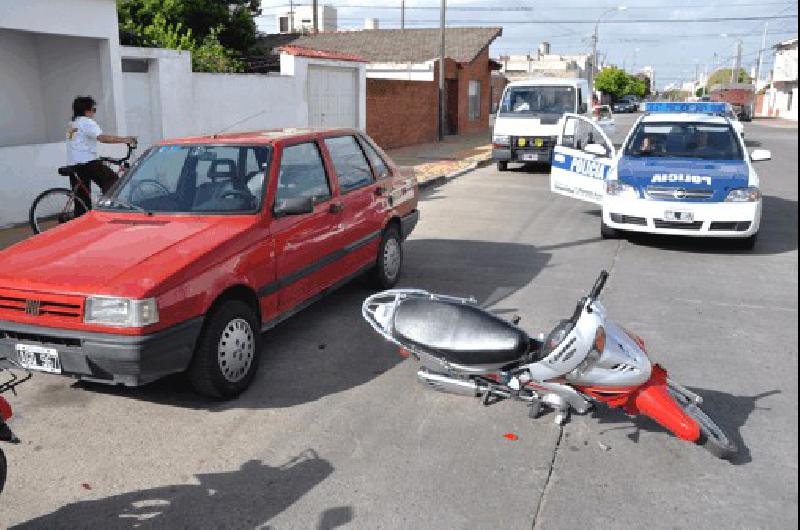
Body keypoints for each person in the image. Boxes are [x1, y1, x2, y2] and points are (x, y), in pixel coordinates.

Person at [66, 96, 136, 216]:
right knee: (114, 182)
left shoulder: (72, 124)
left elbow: (81, 144)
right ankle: (108, 212)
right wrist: (126, 140)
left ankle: (82, 224)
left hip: (74, 164)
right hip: (87, 162)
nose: (94, 113)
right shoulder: (87, 122)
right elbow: (102, 138)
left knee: (82, 199)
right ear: (86, 110)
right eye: (93, 110)